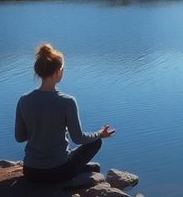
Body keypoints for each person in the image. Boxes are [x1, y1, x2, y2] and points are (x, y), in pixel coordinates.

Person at [15, 43, 115, 184]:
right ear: (58, 72)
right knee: (95, 142)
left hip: (31, 171)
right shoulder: (67, 101)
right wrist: (100, 133)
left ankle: (80, 167)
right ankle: (80, 168)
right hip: (59, 171)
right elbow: (78, 138)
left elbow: (19, 137)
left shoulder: (24, 100)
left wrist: (39, 129)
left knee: (74, 155)